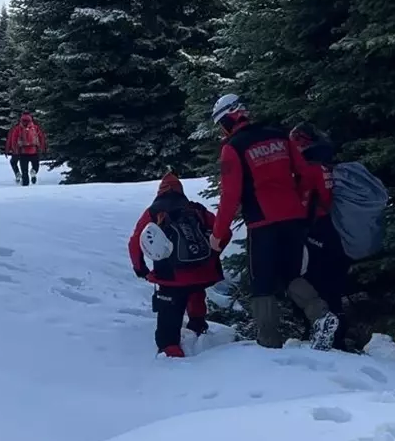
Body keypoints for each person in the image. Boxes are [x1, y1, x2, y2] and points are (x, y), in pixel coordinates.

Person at [209, 94, 338, 350]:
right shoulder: (280, 135)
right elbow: (304, 173)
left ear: (228, 118)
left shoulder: (233, 148)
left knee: (263, 283)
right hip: (293, 218)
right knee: (291, 274)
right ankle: (322, 315)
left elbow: (230, 196)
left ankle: (268, 345)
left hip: (262, 223)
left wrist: (217, 235)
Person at [128, 173, 223, 357]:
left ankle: (170, 350)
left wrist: (141, 269)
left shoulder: (154, 212)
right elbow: (222, 230)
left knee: (169, 310)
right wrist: (212, 256)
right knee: (195, 292)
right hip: (201, 274)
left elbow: (135, 243)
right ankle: (198, 327)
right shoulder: (196, 209)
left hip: (170, 277)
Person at [290, 122, 352, 351]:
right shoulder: (324, 165)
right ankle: (337, 335)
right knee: (332, 285)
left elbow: (304, 200)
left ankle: (325, 332)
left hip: (315, 230)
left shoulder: (307, 167)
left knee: (311, 281)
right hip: (331, 229)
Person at [6, 112, 47, 186]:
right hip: (34, 151)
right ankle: (33, 171)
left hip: (23, 153)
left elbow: (13, 140)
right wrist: (42, 148)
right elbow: (41, 137)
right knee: (35, 166)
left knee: (24, 171)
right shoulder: (35, 127)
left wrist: (15, 150)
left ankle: (25, 187)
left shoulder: (18, 128)